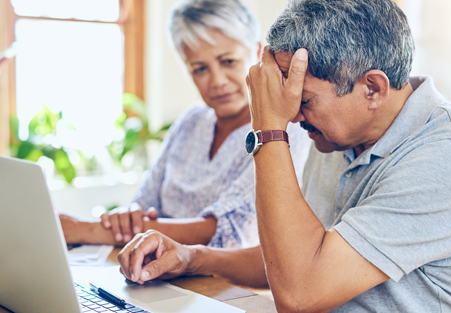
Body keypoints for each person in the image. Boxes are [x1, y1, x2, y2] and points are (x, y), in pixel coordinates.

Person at [118, 0, 451, 311]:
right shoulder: (340, 134)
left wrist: (269, 129)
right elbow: (297, 257)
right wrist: (192, 257)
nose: (293, 114)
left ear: (372, 88)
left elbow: (300, 294)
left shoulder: (446, 158)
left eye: (302, 100)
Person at [60, 0, 309, 286]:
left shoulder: (284, 130)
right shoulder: (191, 120)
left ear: (255, 53)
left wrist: (85, 229)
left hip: (222, 286)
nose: (217, 81)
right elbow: (143, 203)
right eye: (199, 68)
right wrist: (127, 218)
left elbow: (230, 232)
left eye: (227, 61)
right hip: (154, 277)